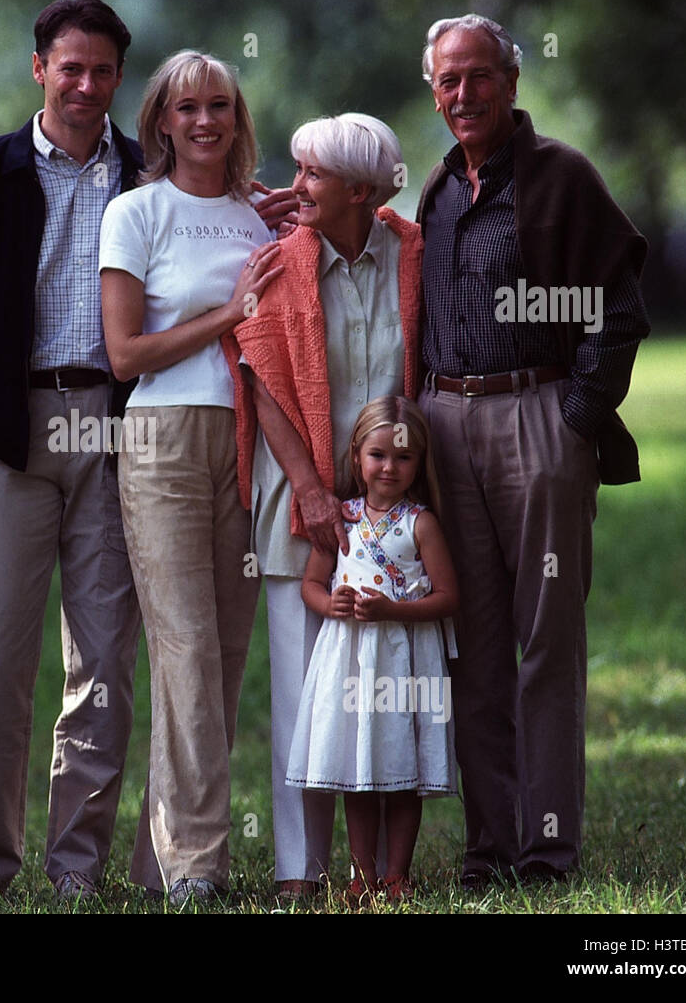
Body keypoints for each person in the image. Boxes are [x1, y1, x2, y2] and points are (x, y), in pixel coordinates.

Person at [416, 14, 649, 888]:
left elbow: (617, 313)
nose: (464, 95)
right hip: (445, 423)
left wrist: (573, 417)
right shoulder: (437, 192)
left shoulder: (563, 179)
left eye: (479, 77)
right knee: (471, 646)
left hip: (536, 417)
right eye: (448, 82)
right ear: (432, 92)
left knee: (545, 641)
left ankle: (547, 851)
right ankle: (489, 852)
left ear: (513, 82)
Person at [0, 0, 145, 899]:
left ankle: (76, 868)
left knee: (102, 659)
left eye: (103, 70)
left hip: (113, 424)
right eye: (71, 67)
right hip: (7, 426)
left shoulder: (146, 174)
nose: (87, 85)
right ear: (39, 69)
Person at [223, 113, 425, 899]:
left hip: (392, 510)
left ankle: (379, 867)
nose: (294, 185)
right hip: (301, 500)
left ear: (359, 190)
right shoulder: (282, 264)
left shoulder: (412, 255)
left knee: (382, 684)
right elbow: (261, 377)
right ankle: (298, 868)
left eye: (309, 174)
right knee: (305, 691)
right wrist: (310, 487)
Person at [99, 49, 281, 904]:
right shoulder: (136, 213)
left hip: (251, 441)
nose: (205, 120)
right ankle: (201, 866)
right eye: (186, 108)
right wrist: (228, 315)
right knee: (185, 648)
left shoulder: (260, 219)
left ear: (236, 119)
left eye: (220, 105)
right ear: (161, 123)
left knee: (227, 654)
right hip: (164, 436)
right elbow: (125, 353)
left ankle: (160, 858)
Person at [285, 396, 459, 906]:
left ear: (419, 462)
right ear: (357, 455)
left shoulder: (420, 523)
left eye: (403, 457)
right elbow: (311, 584)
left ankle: (397, 874)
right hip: (352, 659)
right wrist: (331, 603)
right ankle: (361, 875)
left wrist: (394, 611)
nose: (389, 467)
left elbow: (449, 597)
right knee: (359, 773)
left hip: (405, 660)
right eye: (378, 455)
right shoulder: (341, 519)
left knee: (401, 768)